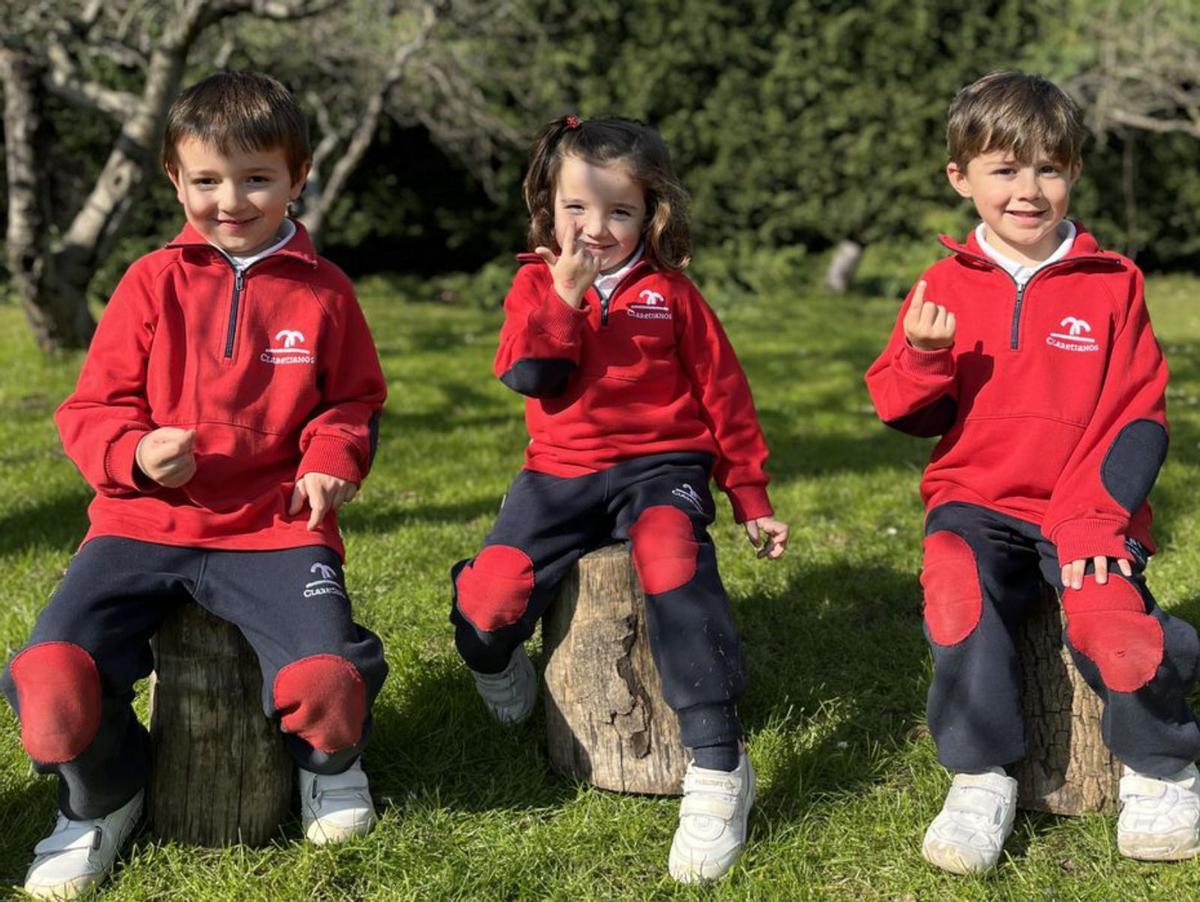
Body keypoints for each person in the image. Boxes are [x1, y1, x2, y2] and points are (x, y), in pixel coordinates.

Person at [1, 71, 389, 899]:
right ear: (176, 181)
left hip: (274, 527)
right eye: (207, 180)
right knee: (48, 675)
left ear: (298, 176)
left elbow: (355, 400)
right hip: (141, 524)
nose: (232, 200)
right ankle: (102, 796)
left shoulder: (326, 291)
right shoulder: (149, 282)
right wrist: (135, 454)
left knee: (327, 681)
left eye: (257, 177)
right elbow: (91, 406)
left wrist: (331, 456)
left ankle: (330, 764)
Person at [865, 69, 1200, 875]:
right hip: (974, 502)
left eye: (1048, 168)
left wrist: (1094, 519)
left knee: (1110, 621)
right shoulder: (941, 284)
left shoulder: (1113, 283)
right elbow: (904, 414)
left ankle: (1164, 770)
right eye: (1004, 170)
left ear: (1074, 172)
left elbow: (1139, 419)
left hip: (1082, 508)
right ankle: (980, 776)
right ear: (961, 177)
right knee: (953, 590)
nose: (1028, 189)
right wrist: (922, 355)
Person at [449, 114, 788, 883]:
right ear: (549, 205)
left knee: (670, 559)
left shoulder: (673, 294)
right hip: (560, 473)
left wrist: (750, 493)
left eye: (619, 212)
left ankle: (716, 763)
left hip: (661, 468)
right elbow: (530, 378)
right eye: (577, 209)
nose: (595, 229)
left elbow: (725, 395)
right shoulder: (535, 284)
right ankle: (490, 657)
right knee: (491, 603)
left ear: (652, 213)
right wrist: (563, 300)